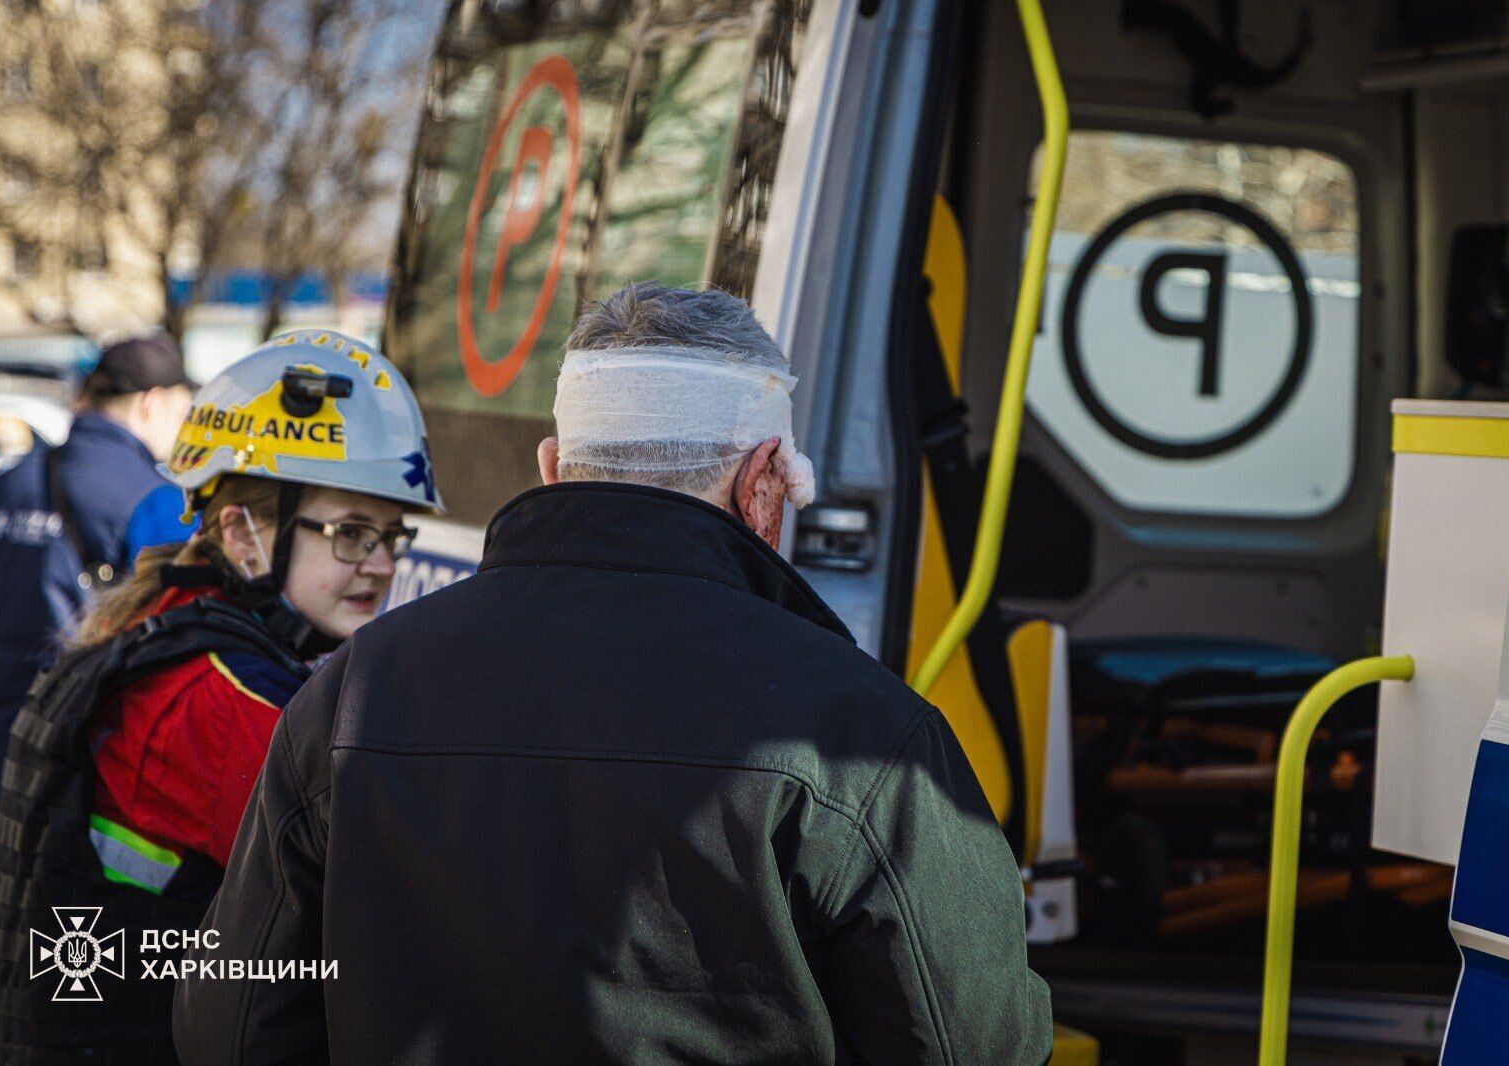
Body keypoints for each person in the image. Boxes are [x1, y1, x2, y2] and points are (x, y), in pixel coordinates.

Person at [177, 284, 1054, 1064]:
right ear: (762, 487)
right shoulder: (866, 734)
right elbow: (974, 1043)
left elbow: (233, 1023)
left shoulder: (354, 687)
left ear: (554, 468)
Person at [0, 330, 441, 1064]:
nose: (380, 564)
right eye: (349, 533)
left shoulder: (161, 621)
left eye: (390, 535)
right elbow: (373, 927)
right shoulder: (233, 701)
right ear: (243, 533)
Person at [0, 333, 193, 814]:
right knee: (73, 887)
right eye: (182, 412)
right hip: (96, 759)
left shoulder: (0, 487)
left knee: (15, 881)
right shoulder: (157, 499)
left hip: (2, 742)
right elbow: (182, 631)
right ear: (153, 404)